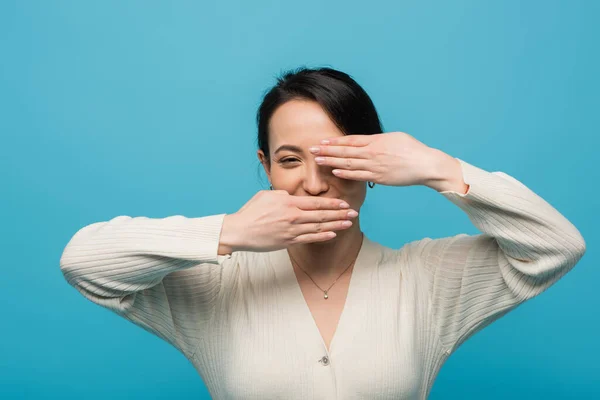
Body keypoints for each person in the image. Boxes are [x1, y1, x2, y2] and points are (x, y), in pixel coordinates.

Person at [59, 67, 586, 399]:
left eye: (337, 158)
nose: (313, 183)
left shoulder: (427, 279)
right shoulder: (217, 284)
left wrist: (437, 167)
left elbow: (557, 246)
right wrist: (230, 231)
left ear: (374, 163)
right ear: (265, 167)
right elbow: (83, 263)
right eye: (290, 160)